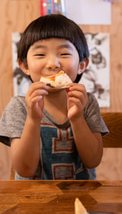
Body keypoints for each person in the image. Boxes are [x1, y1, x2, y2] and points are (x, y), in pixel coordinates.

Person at [0, 14, 109, 180]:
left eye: (64, 54)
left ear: (82, 65)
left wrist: (77, 117)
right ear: (24, 65)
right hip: (32, 199)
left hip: (80, 198)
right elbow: (24, 170)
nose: (53, 63)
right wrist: (33, 119)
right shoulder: (19, 106)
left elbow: (93, 160)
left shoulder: (86, 102)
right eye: (40, 55)